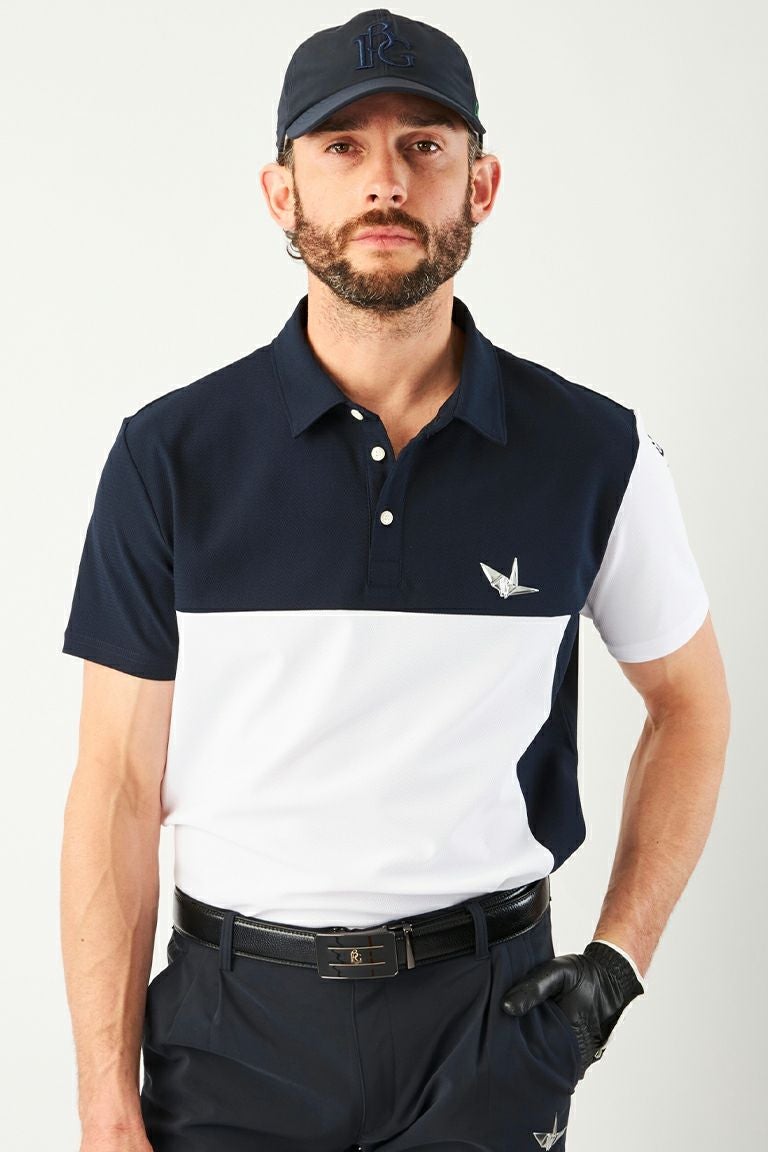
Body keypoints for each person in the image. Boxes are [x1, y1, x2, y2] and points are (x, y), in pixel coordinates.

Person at [60, 9, 730, 1152]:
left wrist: (615, 967)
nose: (385, 181)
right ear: (282, 194)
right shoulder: (168, 458)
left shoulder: (593, 454)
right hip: (232, 1035)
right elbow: (116, 788)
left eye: (424, 145)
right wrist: (104, 1106)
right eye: (342, 147)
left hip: (490, 1029)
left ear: (482, 184)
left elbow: (692, 706)